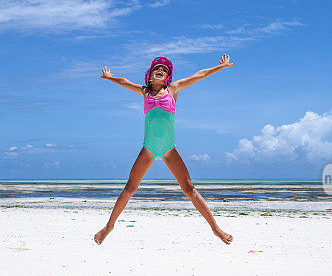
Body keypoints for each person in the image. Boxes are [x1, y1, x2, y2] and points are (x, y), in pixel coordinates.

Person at [93, 54, 235, 246]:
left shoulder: (173, 89)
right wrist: (110, 78)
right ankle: (109, 226)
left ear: (167, 76)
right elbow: (124, 82)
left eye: (165, 70)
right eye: (157, 68)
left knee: (189, 189)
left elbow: (199, 75)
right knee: (129, 188)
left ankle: (215, 229)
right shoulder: (144, 92)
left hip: (169, 149)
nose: (161, 70)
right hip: (148, 149)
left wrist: (221, 67)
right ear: (150, 75)